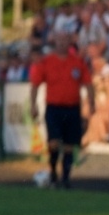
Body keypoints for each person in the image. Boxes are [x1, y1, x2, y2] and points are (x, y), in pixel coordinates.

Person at [28, 31, 92, 188]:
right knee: (54, 143)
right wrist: (33, 104)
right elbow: (35, 84)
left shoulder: (77, 62)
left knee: (70, 145)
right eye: (59, 40)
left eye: (65, 40)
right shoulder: (47, 62)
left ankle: (66, 178)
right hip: (54, 108)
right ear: (55, 42)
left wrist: (91, 103)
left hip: (72, 108)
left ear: (69, 42)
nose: (62, 43)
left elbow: (88, 83)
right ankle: (53, 172)